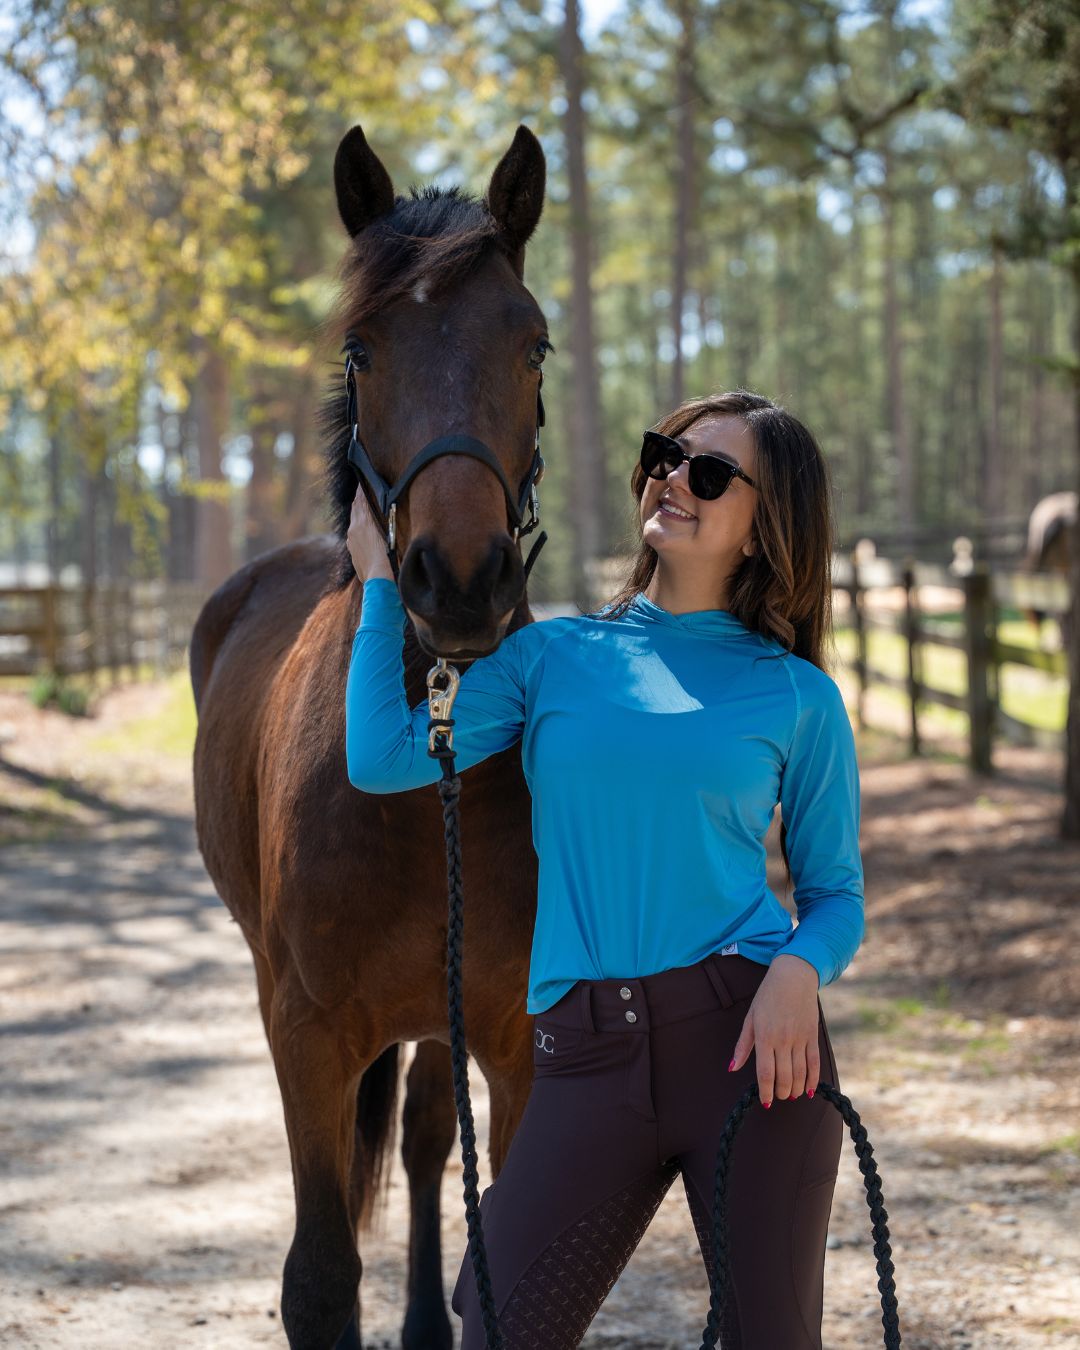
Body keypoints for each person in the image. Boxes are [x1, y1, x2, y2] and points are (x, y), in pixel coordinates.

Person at [344, 390, 864, 1350]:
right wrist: (380, 585)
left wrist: (797, 968)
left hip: (750, 1048)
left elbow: (835, 895)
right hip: (584, 1056)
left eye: (709, 472)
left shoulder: (798, 697)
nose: (673, 475)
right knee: (498, 1325)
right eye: (666, 453)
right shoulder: (550, 659)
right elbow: (383, 755)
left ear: (763, 528)